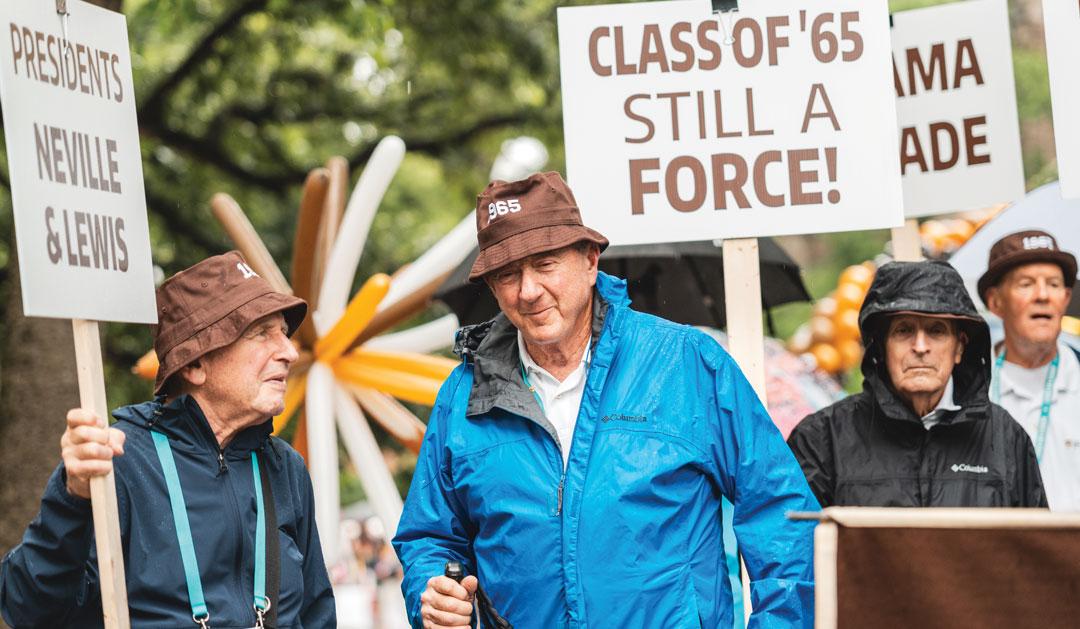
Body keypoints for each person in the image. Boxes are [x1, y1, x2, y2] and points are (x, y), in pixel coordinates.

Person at [392, 172, 818, 629]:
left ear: (590, 260)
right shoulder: (463, 394)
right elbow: (429, 536)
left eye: (545, 264)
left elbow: (782, 512)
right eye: (508, 274)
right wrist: (431, 594)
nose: (528, 290)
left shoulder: (687, 363)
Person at [0, 251, 336, 627]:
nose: (290, 352)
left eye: (284, 334)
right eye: (261, 334)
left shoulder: (285, 467)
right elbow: (28, 609)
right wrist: (71, 498)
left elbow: (317, 615)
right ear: (194, 364)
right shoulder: (117, 458)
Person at [788, 260, 1046, 508]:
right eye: (903, 331)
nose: (920, 347)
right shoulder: (822, 440)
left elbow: (1037, 548)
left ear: (959, 348)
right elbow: (796, 546)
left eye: (936, 331)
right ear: (881, 346)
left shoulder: (1006, 439)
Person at [979, 230, 1080, 511]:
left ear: (1066, 298)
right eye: (1026, 284)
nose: (1043, 295)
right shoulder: (965, 393)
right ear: (995, 301)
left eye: (1054, 284)